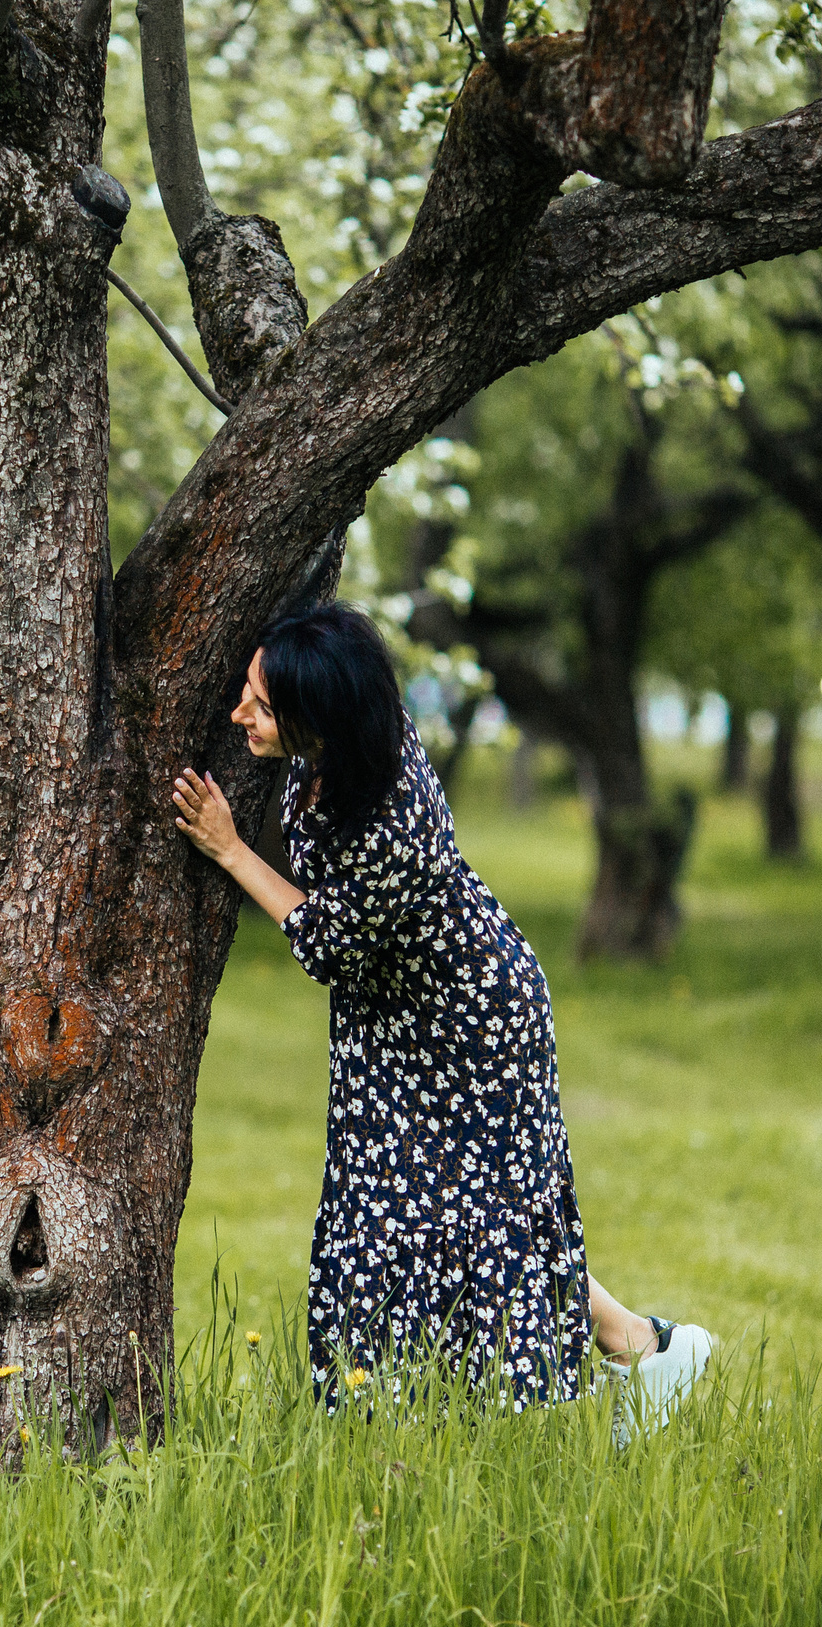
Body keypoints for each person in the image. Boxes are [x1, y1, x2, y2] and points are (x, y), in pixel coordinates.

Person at [169, 603, 709, 1432]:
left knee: (465, 1215)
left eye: (262, 706)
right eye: (250, 690)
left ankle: (606, 1362)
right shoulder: (340, 745)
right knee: (451, 1213)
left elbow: (326, 945)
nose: (240, 713)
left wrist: (231, 848)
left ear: (321, 720)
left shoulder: (389, 820)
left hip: (469, 1023)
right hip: (403, 1018)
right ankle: (646, 1350)